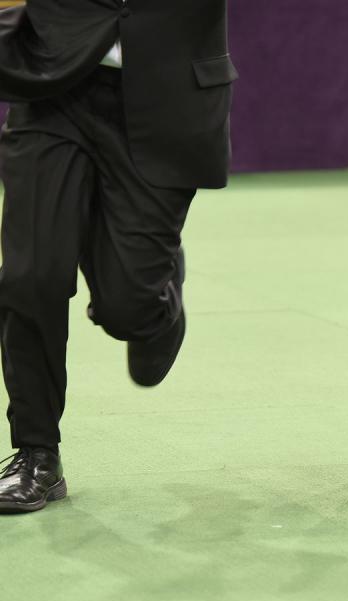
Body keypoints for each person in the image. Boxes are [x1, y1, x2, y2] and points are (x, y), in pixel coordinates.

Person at [0, 0, 237, 513]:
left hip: (171, 97)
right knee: (30, 275)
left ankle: (155, 302)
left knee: (127, 305)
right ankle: (36, 452)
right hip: (53, 89)